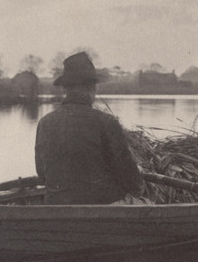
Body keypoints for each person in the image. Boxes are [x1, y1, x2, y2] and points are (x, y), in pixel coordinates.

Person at [35, 52, 145, 205]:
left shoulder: (44, 123)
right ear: (91, 87)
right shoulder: (107, 122)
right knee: (144, 203)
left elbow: (42, 174)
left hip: (56, 205)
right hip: (102, 208)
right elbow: (130, 179)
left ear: (65, 89)